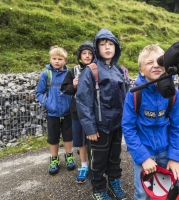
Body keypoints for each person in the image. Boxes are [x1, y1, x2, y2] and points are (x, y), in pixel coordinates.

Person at [121, 44, 179, 199]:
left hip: (165, 151)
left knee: (164, 190)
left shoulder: (173, 94)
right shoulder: (134, 94)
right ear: (141, 70)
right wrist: (143, 157)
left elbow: (176, 127)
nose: (156, 65)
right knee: (143, 192)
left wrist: (174, 157)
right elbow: (128, 128)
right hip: (143, 150)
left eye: (160, 62)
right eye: (149, 62)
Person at [75, 28, 127, 200]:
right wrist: (89, 128)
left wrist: (127, 122)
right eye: (103, 44)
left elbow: (125, 98)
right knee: (98, 160)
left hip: (117, 125)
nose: (107, 47)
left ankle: (114, 182)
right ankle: (98, 189)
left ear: (116, 47)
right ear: (97, 47)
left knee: (114, 157)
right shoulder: (91, 70)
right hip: (99, 127)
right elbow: (83, 100)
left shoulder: (119, 70)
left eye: (111, 44)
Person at [36, 45, 75, 175]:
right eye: (54, 58)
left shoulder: (70, 73)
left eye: (60, 59)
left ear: (65, 61)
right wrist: (47, 103)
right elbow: (39, 93)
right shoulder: (46, 74)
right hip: (52, 113)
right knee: (53, 138)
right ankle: (54, 159)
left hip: (67, 112)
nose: (57, 61)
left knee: (68, 137)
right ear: (50, 59)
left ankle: (69, 156)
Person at [60, 41, 95, 183]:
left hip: (94, 111)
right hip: (77, 112)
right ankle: (84, 166)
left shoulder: (97, 69)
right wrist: (73, 85)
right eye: (84, 53)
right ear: (79, 56)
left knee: (95, 141)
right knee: (81, 141)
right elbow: (64, 88)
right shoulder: (73, 71)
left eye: (90, 53)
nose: (87, 56)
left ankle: (95, 168)